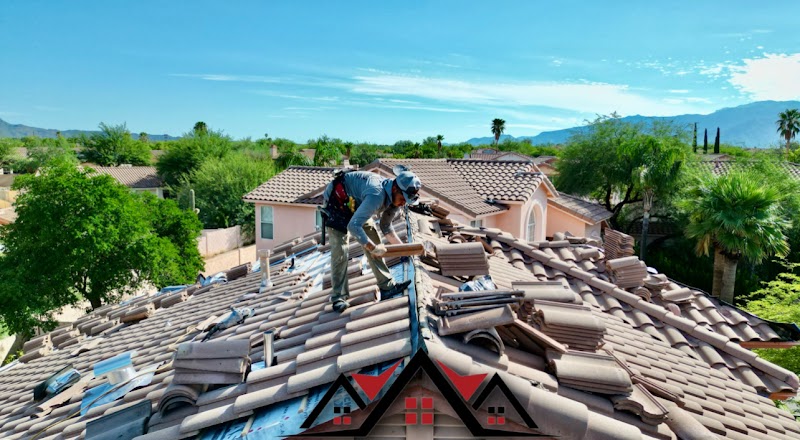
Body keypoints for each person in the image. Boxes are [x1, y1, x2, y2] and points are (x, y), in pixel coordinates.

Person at [321, 169, 422, 312]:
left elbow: (386, 227)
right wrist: (370, 246)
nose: (403, 203)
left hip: (357, 203)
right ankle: (339, 297)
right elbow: (353, 225)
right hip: (337, 201)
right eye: (403, 199)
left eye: (406, 201)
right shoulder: (376, 195)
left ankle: (387, 286)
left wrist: (405, 250)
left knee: (374, 237)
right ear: (394, 189)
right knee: (341, 251)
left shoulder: (395, 200)